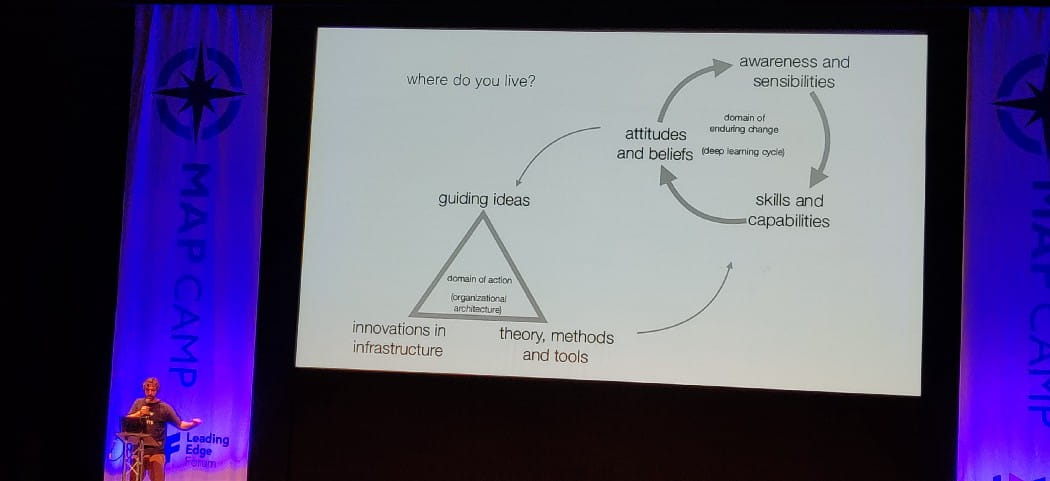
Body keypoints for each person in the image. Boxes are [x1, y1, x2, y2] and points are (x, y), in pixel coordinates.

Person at [125, 377, 203, 481]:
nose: (150, 393)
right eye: (147, 390)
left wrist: (193, 424)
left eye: (153, 390)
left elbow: (180, 424)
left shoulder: (164, 408)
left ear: (157, 390)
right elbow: (127, 420)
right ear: (144, 390)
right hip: (138, 451)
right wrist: (139, 413)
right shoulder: (138, 403)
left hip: (156, 452)